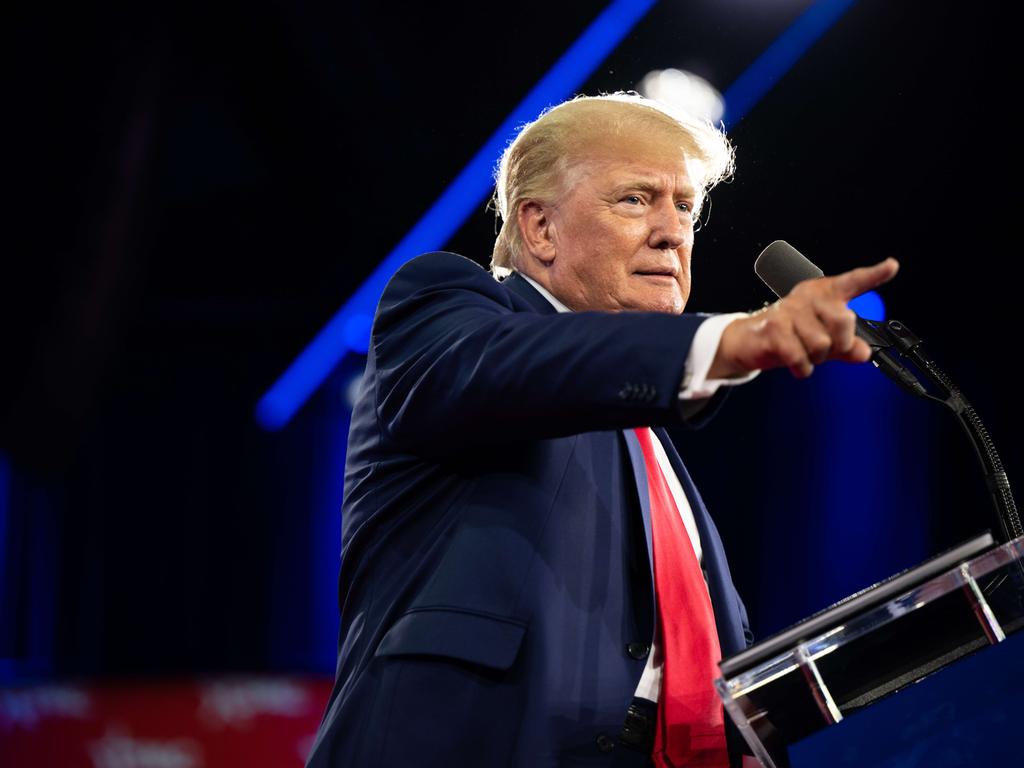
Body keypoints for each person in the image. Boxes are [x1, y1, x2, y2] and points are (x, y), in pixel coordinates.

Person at [305, 93, 898, 768]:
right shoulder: (446, 308)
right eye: (636, 200)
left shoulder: (644, 436)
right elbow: (527, 368)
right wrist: (731, 339)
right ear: (540, 228)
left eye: (685, 206)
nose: (673, 232)